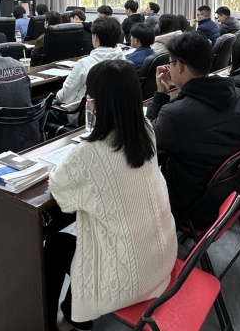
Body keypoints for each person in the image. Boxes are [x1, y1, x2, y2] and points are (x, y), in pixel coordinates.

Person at [45, 60, 177, 330]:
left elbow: (59, 188)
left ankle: (56, 321)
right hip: (162, 257)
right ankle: (74, 311)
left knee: (57, 245)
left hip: (131, 278)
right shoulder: (146, 131)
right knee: (93, 235)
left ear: (96, 102)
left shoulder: (88, 153)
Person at [147, 32, 240, 228]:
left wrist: (160, 96)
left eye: (170, 62)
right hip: (232, 195)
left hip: (190, 208)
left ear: (179, 65)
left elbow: (146, 147)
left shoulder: (175, 114)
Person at [54, 17, 125, 113]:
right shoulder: (124, 61)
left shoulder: (84, 64)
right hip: (114, 112)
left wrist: (56, 95)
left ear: (95, 37)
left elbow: (64, 97)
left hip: (83, 114)